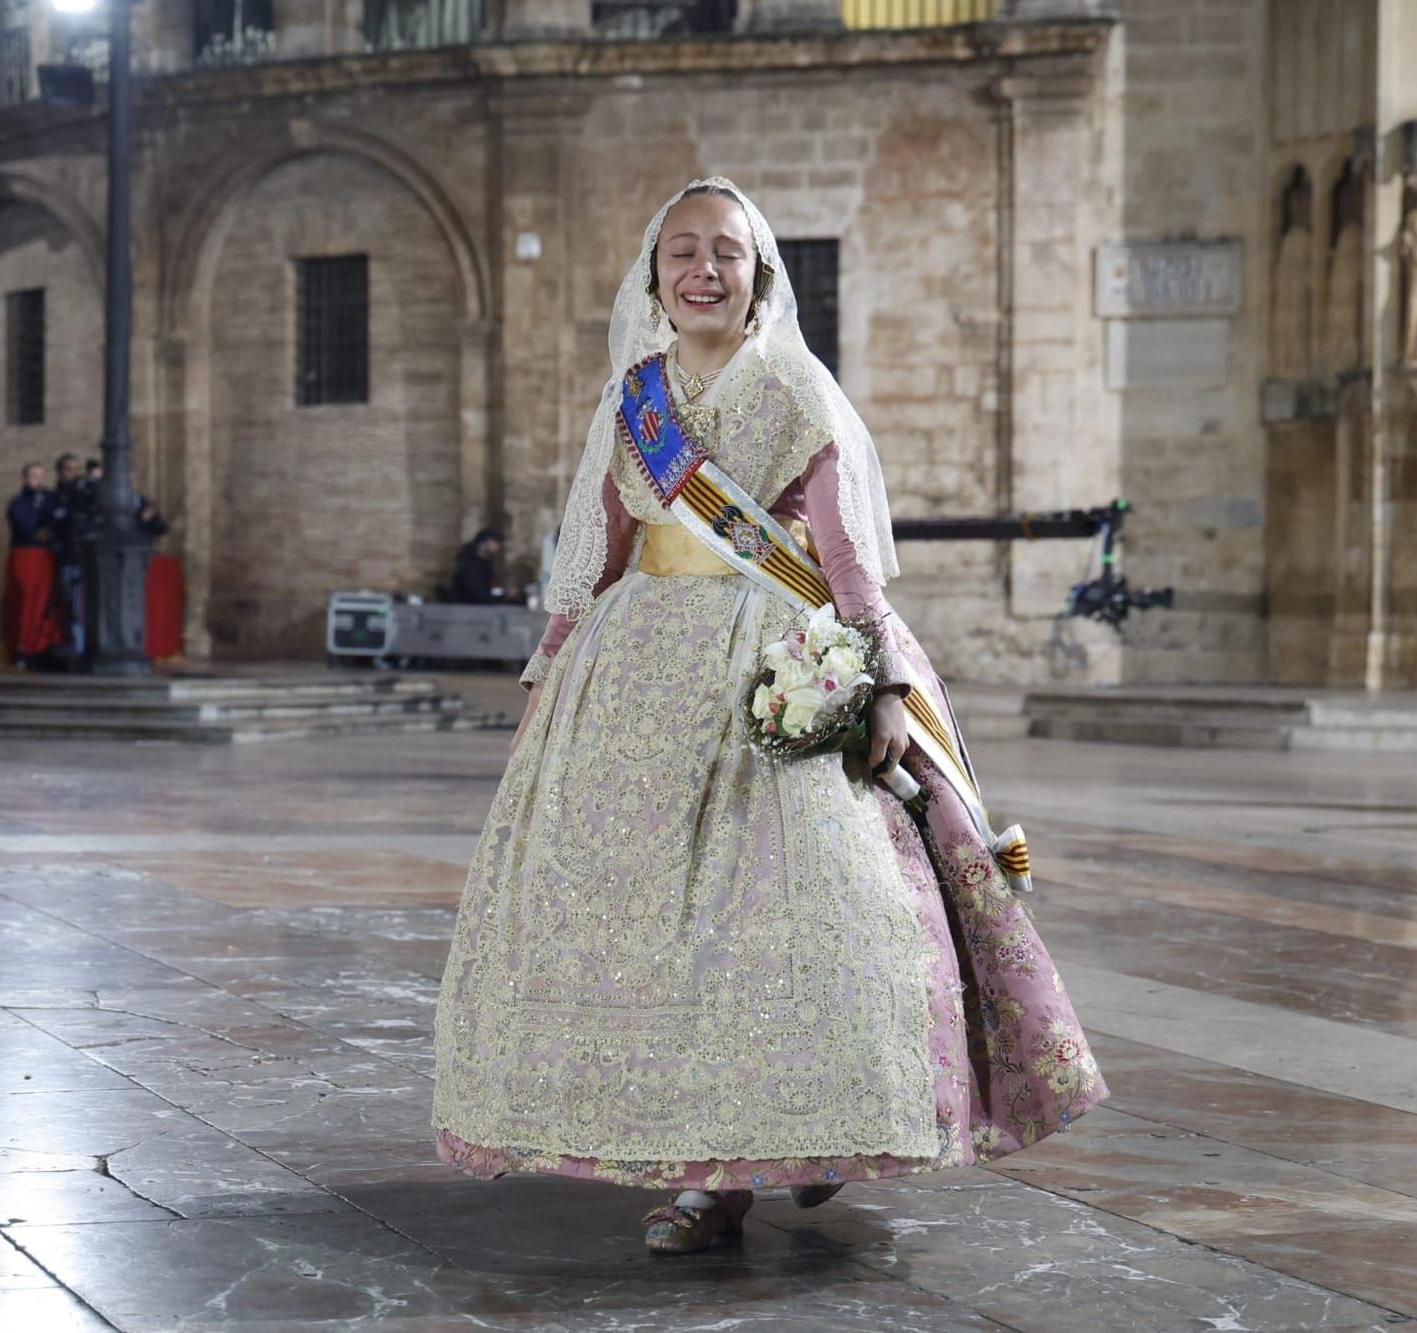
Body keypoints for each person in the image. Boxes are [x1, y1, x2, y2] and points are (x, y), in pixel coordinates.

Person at [429, 179, 1105, 1255]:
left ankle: (808, 1133)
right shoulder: (629, 402)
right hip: (634, 677)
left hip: (774, 667)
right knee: (649, 931)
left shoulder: (795, 387)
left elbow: (843, 561)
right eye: (681, 251)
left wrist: (881, 683)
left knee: (803, 919)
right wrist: (547, 678)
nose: (702, 269)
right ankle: (705, 1169)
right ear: (654, 275)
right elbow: (595, 553)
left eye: (726, 253)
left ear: (759, 274)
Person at [51, 453, 94, 655]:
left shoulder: (85, 495)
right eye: (70, 469)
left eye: (78, 470)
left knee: (82, 604)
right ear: (60, 473)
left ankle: (84, 646)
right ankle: (78, 645)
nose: (75, 474)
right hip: (68, 557)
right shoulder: (57, 496)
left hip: (85, 556)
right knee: (73, 605)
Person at [449, 528, 516, 604]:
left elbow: (490, 588)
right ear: (483, 542)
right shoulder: (469, 563)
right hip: (468, 606)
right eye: (495, 542)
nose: (498, 546)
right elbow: (475, 594)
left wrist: (504, 593)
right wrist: (503, 597)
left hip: (480, 605)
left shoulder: (485, 563)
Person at [6, 463, 56, 549]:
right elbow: (22, 525)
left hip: (50, 550)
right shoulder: (18, 502)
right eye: (34, 476)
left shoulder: (51, 497)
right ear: (25, 479)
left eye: (41, 477)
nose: (39, 480)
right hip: (27, 549)